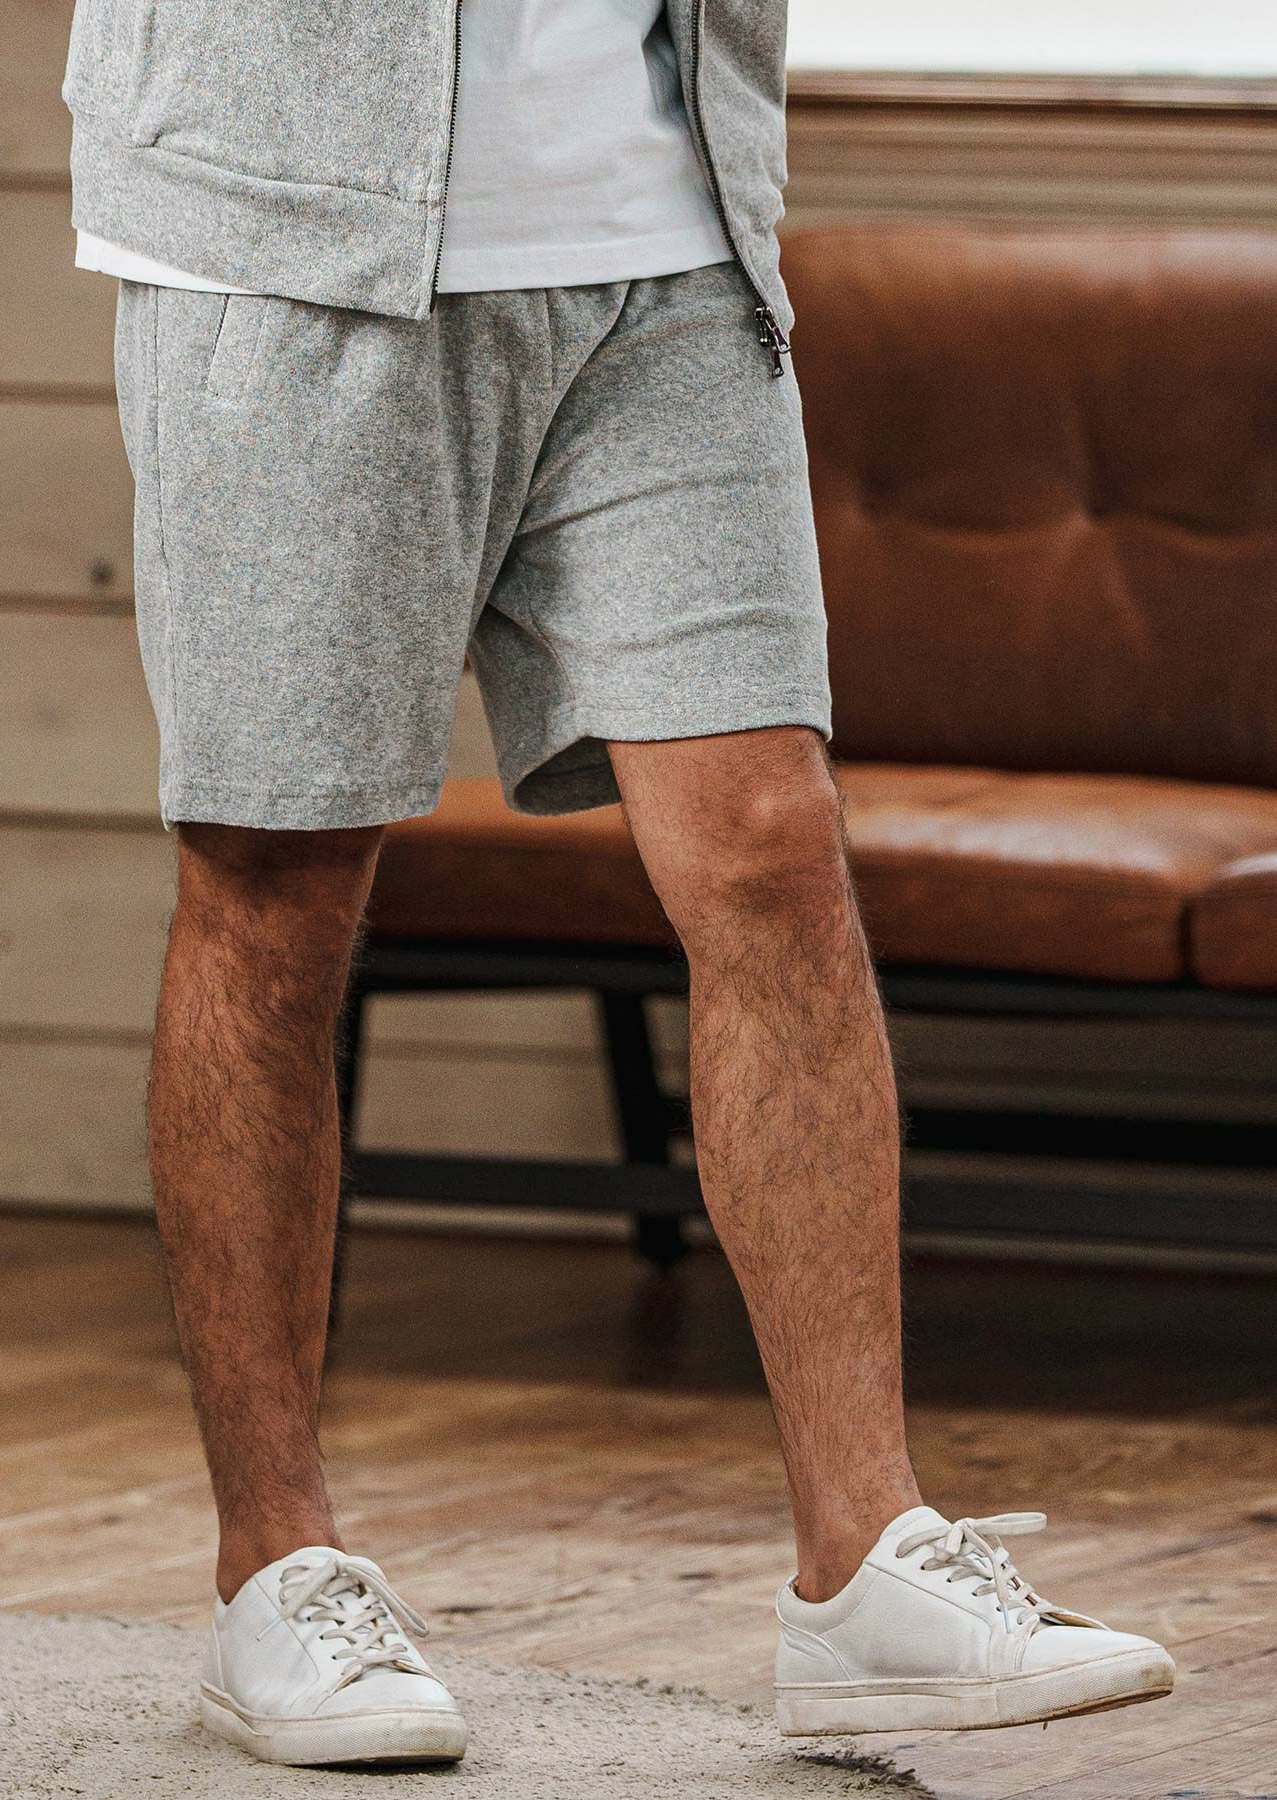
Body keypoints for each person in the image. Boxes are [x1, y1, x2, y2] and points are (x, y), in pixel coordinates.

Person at [62, 0, 1174, 1766]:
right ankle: (276, 1567)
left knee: (772, 850)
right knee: (276, 885)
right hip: (288, 241)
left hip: (671, 237)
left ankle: (865, 1560)